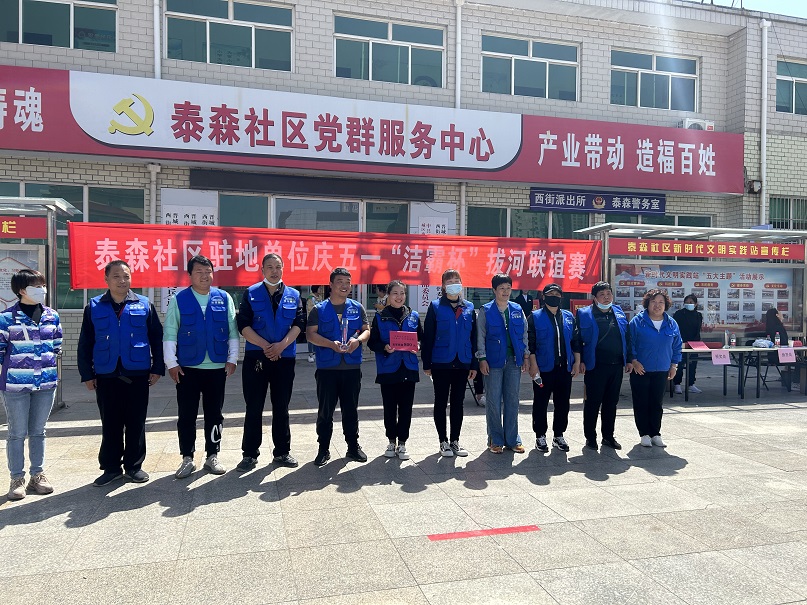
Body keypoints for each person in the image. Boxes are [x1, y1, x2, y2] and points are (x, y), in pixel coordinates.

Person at [77, 260, 164, 486]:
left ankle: (134, 466)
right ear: (106, 279)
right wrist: (87, 374)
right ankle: (111, 467)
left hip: (137, 374)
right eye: (116, 276)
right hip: (106, 375)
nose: (122, 280)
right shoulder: (94, 306)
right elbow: (85, 342)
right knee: (111, 423)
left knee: (136, 422)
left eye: (126, 276)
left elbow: (156, 338)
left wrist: (157, 368)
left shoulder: (144, 304)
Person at [163, 255, 239, 479]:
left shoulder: (224, 298)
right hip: (187, 368)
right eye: (199, 272)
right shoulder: (180, 299)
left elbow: (232, 331)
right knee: (186, 415)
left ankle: (212, 455)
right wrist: (171, 363)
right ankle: (187, 457)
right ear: (189, 275)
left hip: (216, 367)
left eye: (208, 271)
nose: (204, 276)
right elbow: (170, 332)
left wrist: (233, 358)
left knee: (215, 414)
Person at [236, 253, 306, 471]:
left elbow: (299, 324)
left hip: (284, 357)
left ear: (283, 268)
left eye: (278, 267)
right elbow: (243, 324)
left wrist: (280, 346)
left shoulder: (294, 295)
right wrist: (266, 346)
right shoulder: (251, 293)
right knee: (254, 406)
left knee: (281, 406)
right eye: (270, 267)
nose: (274, 271)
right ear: (262, 270)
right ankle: (249, 454)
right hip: (257, 357)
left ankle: (282, 451)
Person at [0, 270, 62, 500]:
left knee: (38, 431)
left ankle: (37, 475)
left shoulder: (52, 316)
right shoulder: (6, 318)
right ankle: (16, 478)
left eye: (42, 285)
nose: (41, 290)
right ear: (21, 290)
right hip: (16, 384)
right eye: (36, 286)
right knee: (17, 433)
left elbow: (56, 346)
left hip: (45, 383)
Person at [306, 267, 370, 466]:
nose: (345, 286)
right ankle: (323, 448)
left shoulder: (357, 307)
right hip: (327, 369)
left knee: (351, 410)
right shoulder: (319, 309)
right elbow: (310, 334)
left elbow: (366, 330)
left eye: (348, 282)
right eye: (340, 281)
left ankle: (353, 446)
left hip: (351, 368)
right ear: (331, 284)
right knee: (325, 411)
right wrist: (330, 344)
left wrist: (358, 341)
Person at [422, 268, 478, 457]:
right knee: (441, 401)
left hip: (462, 361)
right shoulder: (436, 306)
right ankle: (443, 441)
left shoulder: (469, 307)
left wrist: (474, 364)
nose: (454, 284)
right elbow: (428, 336)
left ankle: (455, 440)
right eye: (450, 281)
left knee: (458, 402)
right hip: (441, 362)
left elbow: (474, 337)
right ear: (443, 286)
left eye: (457, 280)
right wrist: (427, 363)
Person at [572, 281, 632, 450]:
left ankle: (608, 436)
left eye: (608, 294)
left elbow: (627, 338)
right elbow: (577, 339)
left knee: (611, 403)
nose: (606, 298)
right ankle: (590, 437)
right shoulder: (584, 313)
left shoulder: (618, 312)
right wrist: (580, 360)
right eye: (602, 295)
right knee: (592, 402)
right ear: (594, 298)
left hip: (616, 365)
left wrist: (629, 359)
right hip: (595, 366)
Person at [368, 280, 422, 460]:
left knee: (406, 408)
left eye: (402, 293)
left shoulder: (413, 316)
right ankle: (391, 440)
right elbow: (372, 342)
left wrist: (418, 346)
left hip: (408, 367)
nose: (399, 297)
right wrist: (384, 347)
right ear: (389, 296)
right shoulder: (380, 317)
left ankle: (403, 443)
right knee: (390, 407)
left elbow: (421, 338)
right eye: (395, 293)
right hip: (388, 369)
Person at [477, 273, 529, 453]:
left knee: (512, 400)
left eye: (508, 288)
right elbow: (480, 336)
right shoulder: (485, 310)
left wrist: (525, 356)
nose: (505, 292)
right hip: (493, 363)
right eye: (501, 288)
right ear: (494, 290)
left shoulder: (517, 309)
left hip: (514, 361)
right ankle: (495, 439)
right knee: (493, 401)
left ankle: (513, 439)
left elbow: (524, 334)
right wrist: (482, 358)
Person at [629, 289, 682, 448]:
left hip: (662, 369)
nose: (657, 305)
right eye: (653, 302)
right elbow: (629, 343)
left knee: (657, 403)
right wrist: (634, 361)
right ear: (647, 303)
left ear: (666, 305)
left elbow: (677, 346)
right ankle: (644, 433)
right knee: (641, 402)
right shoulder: (637, 322)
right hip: (641, 369)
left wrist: (674, 365)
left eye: (661, 302)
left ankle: (655, 433)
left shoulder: (671, 323)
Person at [528, 283, 577, 453]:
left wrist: (576, 362)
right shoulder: (535, 317)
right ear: (543, 297)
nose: (554, 297)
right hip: (543, 368)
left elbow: (575, 341)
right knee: (540, 403)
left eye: (557, 294)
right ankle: (540, 435)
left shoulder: (568, 316)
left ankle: (559, 435)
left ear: (561, 297)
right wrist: (533, 365)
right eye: (550, 294)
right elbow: (531, 343)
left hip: (564, 368)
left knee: (563, 403)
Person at [672, 294, 703, 394]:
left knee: (693, 364)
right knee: (680, 364)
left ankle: (691, 384)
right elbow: (675, 329)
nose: (688, 304)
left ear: (695, 304)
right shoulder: (679, 314)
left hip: (694, 343)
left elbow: (698, 330)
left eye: (691, 302)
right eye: (686, 302)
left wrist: (696, 342)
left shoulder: (698, 315)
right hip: (681, 342)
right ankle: (677, 384)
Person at [306, 286, 325, 363]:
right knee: (311, 337)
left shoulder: (320, 297)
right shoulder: (311, 298)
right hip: (312, 321)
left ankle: (316, 352)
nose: (321, 290)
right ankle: (310, 354)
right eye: (319, 288)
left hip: (320, 320)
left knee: (318, 337)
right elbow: (310, 309)